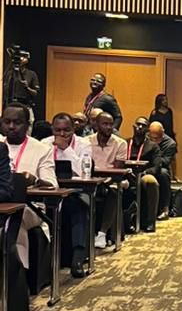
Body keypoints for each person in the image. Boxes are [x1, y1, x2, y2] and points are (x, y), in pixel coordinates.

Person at [1, 105, 57, 270]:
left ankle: (18, 272)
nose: (11, 126)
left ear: (27, 125)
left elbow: (52, 184)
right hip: (2, 203)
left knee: (14, 221)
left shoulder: (42, 149)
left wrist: (35, 180)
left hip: (31, 207)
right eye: (7, 122)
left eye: (17, 122)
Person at [43, 113, 93, 276]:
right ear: (52, 129)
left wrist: (66, 149)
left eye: (66, 130)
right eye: (57, 130)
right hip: (50, 191)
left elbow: (83, 171)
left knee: (78, 208)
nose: (62, 134)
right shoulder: (44, 144)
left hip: (75, 191)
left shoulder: (83, 144)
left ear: (73, 129)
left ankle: (78, 258)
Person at [89, 111, 127, 248]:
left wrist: (104, 179)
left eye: (111, 124)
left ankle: (102, 233)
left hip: (111, 181)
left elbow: (117, 170)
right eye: (105, 124)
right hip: (90, 180)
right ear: (96, 125)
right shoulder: (86, 142)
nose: (109, 127)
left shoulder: (120, 143)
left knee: (114, 191)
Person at [124, 118, 161, 232]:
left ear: (147, 130)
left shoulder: (152, 146)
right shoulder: (125, 143)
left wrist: (143, 173)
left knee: (151, 181)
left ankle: (150, 222)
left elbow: (156, 167)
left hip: (143, 174)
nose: (140, 127)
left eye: (143, 125)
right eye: (138, 124)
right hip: (125, 174)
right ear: (133, 126)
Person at [147, 121, 176, 221]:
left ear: (162, 132)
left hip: (160, 168)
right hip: (146, 166)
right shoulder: (145, 138)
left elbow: (166, 161)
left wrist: (155, 159)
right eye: (152, 138)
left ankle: (165, 209)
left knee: (163, 173)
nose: (154, 140)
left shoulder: (170, 143)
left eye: (157, 138)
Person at [2, 49, 39, 122]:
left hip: (25, 105)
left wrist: (27, 87)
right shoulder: (10, 74)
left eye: (24, 57)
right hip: (11, 105)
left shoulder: (31, 74)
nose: (21, 59)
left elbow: (35, 93)